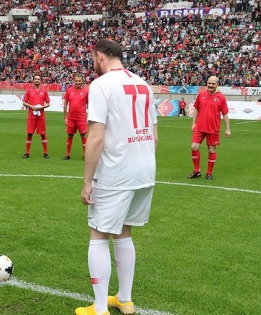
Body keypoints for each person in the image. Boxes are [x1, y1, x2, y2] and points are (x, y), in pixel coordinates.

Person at [77, 39, 158, 315]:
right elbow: (155, 137)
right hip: (145, 169)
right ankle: (124, 299)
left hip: (116, 171)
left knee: (98, 234)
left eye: (92, 58)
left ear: (99, 56)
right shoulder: (143, 82)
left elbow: (96, 138)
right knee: (124, 232)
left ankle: (99, 308)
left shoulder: (101, 85)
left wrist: (88, 182)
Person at [187, 76, 231, 180]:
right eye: (209, 83)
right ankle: (196, 171)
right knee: (194, 147)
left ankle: (209, 173)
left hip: (213, 128)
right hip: (200, 126)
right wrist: (193, 123)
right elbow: (196, 109)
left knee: (211, 150)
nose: (211, 85)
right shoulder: (201, 95)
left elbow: (225, 113)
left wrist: (228, 128)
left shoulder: (221, 97)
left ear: (217, 84)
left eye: (213, 84)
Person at [22, 75, 50, 159]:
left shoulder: (44, 91)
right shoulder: (29, 91)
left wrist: (42, 107)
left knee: (43, 134)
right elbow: (24, 102)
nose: (37, 80)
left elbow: (48, 103)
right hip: (31, 116)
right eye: (35, 79)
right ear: (33, 80)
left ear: (41, 81)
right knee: (29, 133)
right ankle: (27, 152)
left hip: (40, 116)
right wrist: (31, 106)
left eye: (38, 79)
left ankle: (45, 153)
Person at [62, 74, 88, 160]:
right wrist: (65, 118)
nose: (78, 82)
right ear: (74, 81)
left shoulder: (86, 92)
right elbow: (65, 104)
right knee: (70, 135)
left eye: (79, 81)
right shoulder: (69, 91)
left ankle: (85, 155)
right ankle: (68, 154)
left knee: (83, 135)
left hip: (81, 118)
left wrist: (88, 118)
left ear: (82, 81)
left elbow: (90, 105)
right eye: (76, 81)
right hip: (71, 118)